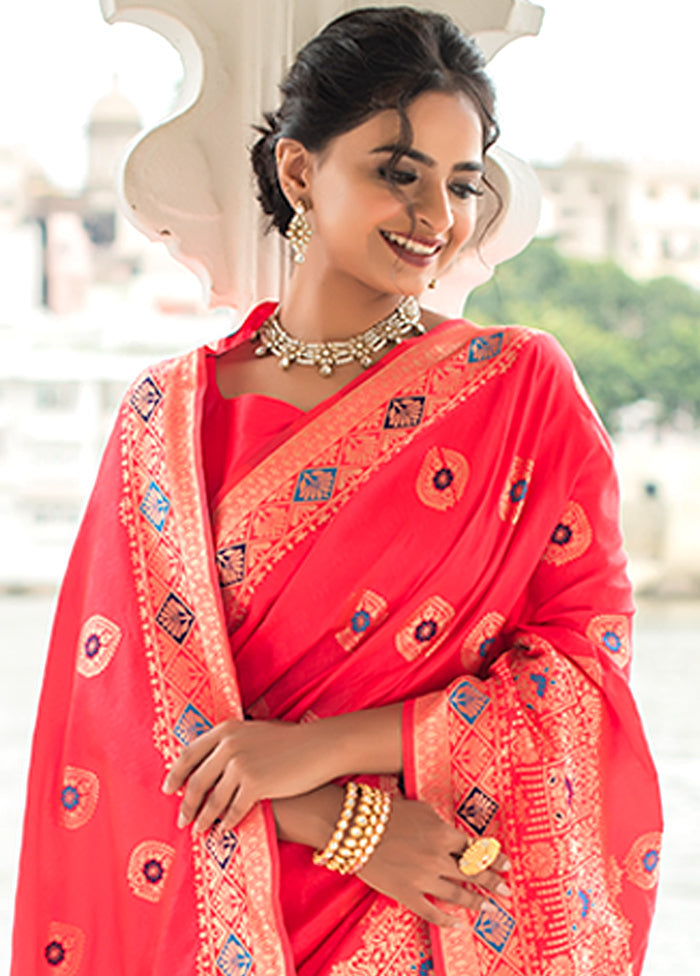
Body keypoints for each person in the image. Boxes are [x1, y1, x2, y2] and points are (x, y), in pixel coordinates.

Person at [11, 7, 662, 976]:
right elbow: (107, 732)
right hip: (215, 908)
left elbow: (582, 676)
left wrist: (335, 749)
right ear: (300, 171)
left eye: (461, 184)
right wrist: (343, 820)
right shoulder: (166, 420)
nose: (436, 218)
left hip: (426, 914)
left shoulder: (519, 393)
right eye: (397, 172)